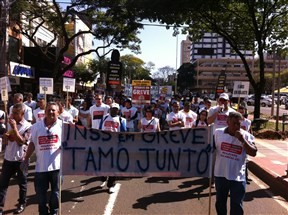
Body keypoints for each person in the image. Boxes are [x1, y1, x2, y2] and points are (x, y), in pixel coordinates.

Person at [22, 102, 63, 215]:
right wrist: (26, 159)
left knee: (55, 194)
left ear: (58, 112)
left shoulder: (63, 126)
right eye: (48, 110)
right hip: (40, 168)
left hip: (57, 167)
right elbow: (32, 144)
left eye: (53, 110)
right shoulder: (35, 127)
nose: (51, 112)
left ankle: (54, 211)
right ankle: (43, 212)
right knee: (40, 196)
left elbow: (71, 142)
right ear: (44, 112)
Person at [214, 111, 257, 215]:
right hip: (220, 175)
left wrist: (242, 140)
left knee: (237, 205)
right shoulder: (217, 133)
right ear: (227, 122)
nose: (237, 126)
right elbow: (209, 147)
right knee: (220, 202)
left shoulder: (246, 136)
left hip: (238, 177)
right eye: (234, 123)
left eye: (239, 124)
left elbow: (253, 152)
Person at [0, 103, 31, 215]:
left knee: (22, 184)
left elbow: (22, 141)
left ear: (22, 114)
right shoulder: (9, 123)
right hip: (8, 158)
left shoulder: (28, 126)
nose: (12, 115)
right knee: (3, 184)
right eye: (12, 112)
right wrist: (5, 138)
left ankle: (22, 203)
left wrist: (14, 128)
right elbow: (6, 142)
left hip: (21, 159)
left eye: (15, 113)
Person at [99, 103, 127, 193]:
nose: (114, 110)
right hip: (104, 144)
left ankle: (111, 184)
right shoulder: (104, 118)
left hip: (115, 145)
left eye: (116, 109)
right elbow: (99, 130)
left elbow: (123, 133)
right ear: (110, 109)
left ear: (118, 110)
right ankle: (103, 177)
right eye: (112, 109)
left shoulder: (121, 120)